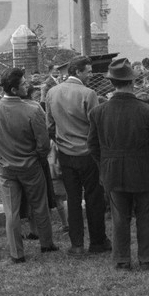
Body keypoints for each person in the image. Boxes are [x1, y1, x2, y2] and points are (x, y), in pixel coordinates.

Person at [88, 59, 149, 271]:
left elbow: (92, 146)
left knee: (119, 218)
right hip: (143, 171)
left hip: (112, 171)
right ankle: (146, 258)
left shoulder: (98, 112)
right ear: (132, 82)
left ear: (112, 83)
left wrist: (105, 164)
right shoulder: (147, 111)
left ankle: (122, 259)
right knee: (146, 215)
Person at [0, 67, 58, 263]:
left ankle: (17, 253)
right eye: (23, 83)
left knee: (12, 211)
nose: (27, 85)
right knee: (40, 205)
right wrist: (36, 157)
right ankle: (46, 243)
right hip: (31, 165)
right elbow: (43, 144)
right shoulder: (32, 110)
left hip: (6, 169)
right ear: (14, 90)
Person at [45, 56, 110, 255]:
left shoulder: (51, 92)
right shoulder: (89, 94)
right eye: (88, 71)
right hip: (88, 153)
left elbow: (49, 124)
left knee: (72, 199)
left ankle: (77, 244)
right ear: (78, 72)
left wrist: (61, 138)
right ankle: (98, 241)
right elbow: (95, 125)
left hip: (65, 152)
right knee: (93, 198)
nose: (90, 74)